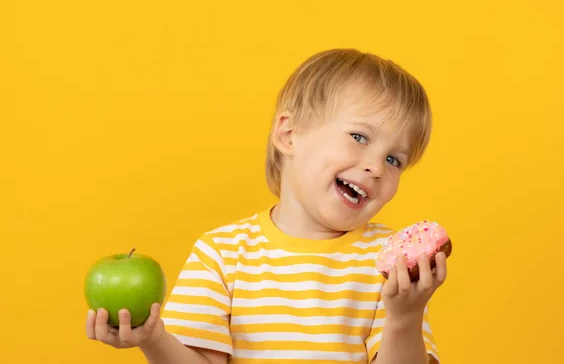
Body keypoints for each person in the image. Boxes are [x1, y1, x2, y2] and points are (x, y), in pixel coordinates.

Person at [86, 48, 449, 364]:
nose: (375, 167)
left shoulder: (387, 266)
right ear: (289, 135)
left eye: (394, 160)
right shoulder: (222, 254)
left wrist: (405, 318)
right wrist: (153, 338)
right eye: (359, 137)